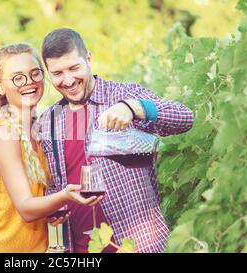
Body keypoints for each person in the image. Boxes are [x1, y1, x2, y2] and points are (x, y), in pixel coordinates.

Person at [38, 28, 194, 253]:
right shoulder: (49, 121)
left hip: (139, 246)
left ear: (88, 59)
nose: (68, 80)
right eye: (57, 73)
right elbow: (55, 183)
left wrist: (135, 107)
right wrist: (54, 207)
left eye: (74, 68)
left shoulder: (122, 95)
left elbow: (185, 117)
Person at [0, 43, 102, 253]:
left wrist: (51, 209)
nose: (28, 82)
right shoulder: (3, 135)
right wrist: (65, 196)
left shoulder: (39, 132)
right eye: (17, 77)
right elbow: (26, 208)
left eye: (35, 73)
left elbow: (31, 206)